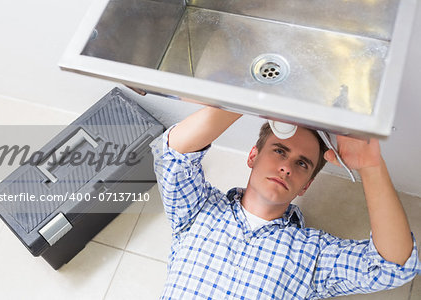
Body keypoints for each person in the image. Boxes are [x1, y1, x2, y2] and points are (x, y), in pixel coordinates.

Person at [150, 106, 420, 299]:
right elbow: (172, 152)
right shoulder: (198, 210)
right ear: (253, 156)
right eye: (280, 151)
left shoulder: (313, 253)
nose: (286, 167)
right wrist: (252, 96)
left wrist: (371, 166)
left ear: (306, 185)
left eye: (302, 163)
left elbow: (393, 266)